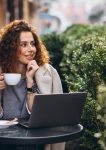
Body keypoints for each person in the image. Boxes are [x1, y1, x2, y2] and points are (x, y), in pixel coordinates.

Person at [0, 20, 65, 150]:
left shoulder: (47, 72)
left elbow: (43, 116)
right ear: (11, 48)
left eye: (33, 44)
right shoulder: (1, 72)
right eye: (24, 45)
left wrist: (30, 81)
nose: (31, 49)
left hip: (35, 141)